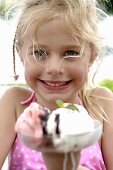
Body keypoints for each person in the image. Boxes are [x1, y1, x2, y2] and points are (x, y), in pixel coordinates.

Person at [0, 0, 113, 169]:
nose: (54, 68)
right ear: (20, 53)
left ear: (92, 56)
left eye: (70, 52)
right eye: (39, 52)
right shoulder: (15, 104)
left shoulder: (102, 104)